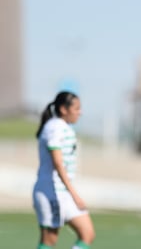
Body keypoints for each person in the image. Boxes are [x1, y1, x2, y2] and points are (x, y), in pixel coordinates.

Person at [32, 91, 95, 249]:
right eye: (77, 108)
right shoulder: (54, 128)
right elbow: (58, 163)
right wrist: (75, 194)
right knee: (49, 241)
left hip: (64, 193)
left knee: (87, 233)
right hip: (51, 192)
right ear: (63, 109)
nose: (80, 112)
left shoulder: (64, 127)